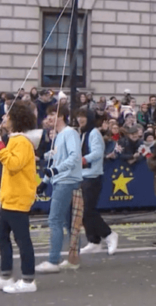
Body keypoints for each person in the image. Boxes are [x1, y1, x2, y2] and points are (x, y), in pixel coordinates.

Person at [0, 102, 40, 294]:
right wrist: (0, 144)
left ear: (16, 119)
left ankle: (28, 279)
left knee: (22, 239)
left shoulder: (22, 142)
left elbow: (14, 164)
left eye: (8, 116)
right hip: (10, 197)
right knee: (1, 235)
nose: (4, 118)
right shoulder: (15, 140)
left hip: (18, 198)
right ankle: (6, 275)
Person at [35, 103, 83, 273]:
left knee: (54, 220)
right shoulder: (60, 135)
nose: (48, 119)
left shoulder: (70, 133)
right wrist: (45, 181)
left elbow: (74, 157)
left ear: (61, 116)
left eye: (51, 115)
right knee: (69, 222)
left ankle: (53, 260)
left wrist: (55, 171)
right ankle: (73, 258)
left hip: (66, 180)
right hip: (61, 179)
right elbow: (55, 160)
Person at [76, 108, 119, 255]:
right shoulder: (82, 133)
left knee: (89, 210)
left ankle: (108, 234)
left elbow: (97, 152)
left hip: (92, 176)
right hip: (82, 175)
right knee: (83, 211)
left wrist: (83, 159)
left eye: (83, 116)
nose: (80, 119)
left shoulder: (93, 133)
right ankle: (93, 240)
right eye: (78, 117)